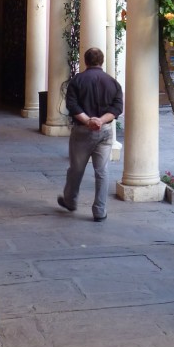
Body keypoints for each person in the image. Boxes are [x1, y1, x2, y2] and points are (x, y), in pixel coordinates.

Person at [58, 47, 123, 222]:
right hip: (105, 132)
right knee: (102, 171)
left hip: (82, 132)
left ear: (85, 61)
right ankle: (100, 211)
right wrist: (100, 121)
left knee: (76, 168)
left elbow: (72, 105)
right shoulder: (112, 82)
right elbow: (117, 108)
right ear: (101, 61)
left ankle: (70, 200)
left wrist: (88, 121)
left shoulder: (77, 80)